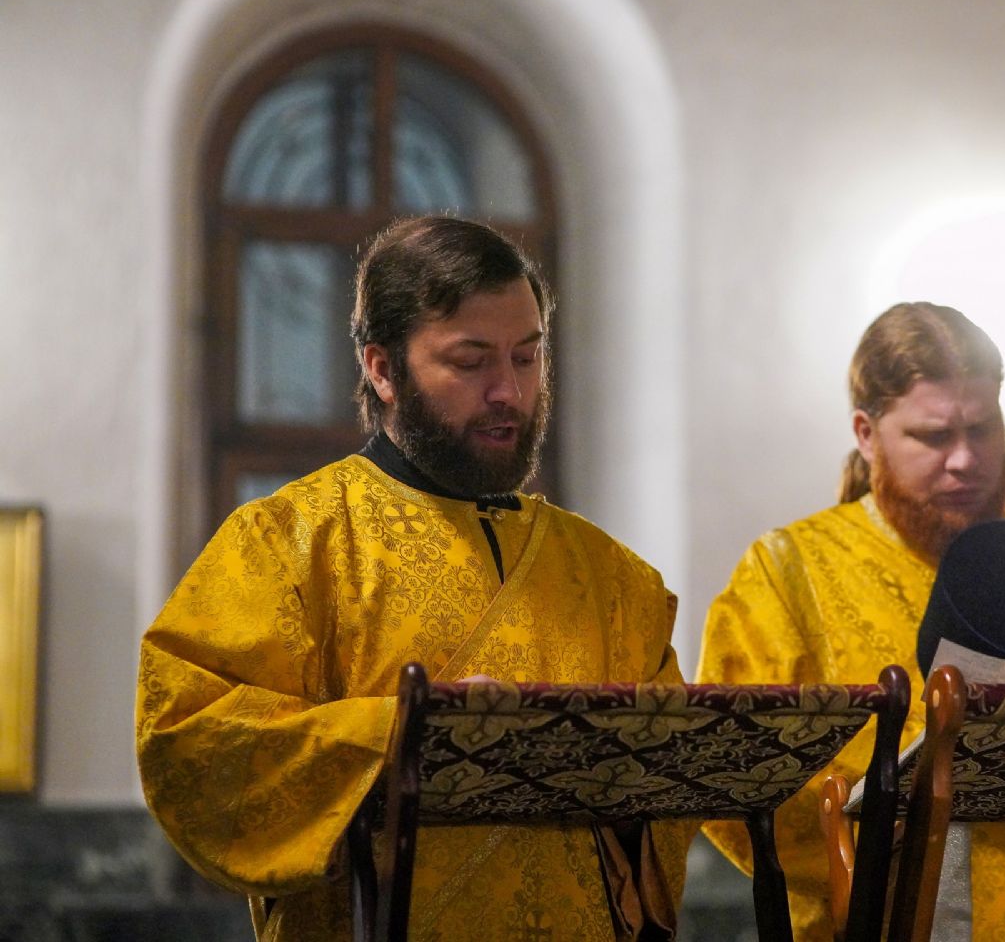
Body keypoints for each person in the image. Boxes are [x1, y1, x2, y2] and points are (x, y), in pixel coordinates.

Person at [136, 217, 690, 942]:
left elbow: (670, 793)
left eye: (527, 357)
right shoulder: (286, 544)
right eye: (470, 361)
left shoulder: (614, 578)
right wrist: (406, 734)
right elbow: (190, 741)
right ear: (382, 369)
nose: (508, 390)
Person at [696, 302, 1005, 941]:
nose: (965, 459)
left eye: (983, 429)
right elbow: (732, 768)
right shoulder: (786, 576)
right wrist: (873, 839)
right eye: (934, 437)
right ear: (866, 434)